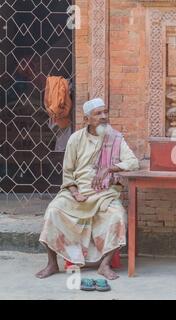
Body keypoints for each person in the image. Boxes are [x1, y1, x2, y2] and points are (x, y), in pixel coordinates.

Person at [35, 98, 139, 280]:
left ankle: (104, 265)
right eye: (98, 114)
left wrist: (109, 168)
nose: (104, 117)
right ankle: (52, 263)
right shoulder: (75, 139)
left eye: (105, 112)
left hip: (104, 194)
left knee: (118, 216)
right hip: (77, 192)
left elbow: (133, 162)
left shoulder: (115, 139)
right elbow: (67, 172)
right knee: (52, 211)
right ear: (87, 119)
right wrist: (75, 192)